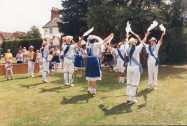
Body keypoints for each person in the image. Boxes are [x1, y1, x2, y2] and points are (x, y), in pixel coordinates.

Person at [126, 31, 150, 104]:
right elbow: (143, 42)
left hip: (129, 67)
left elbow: (126, 42)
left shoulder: (127, 48)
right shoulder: (137, 48)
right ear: (135, 43)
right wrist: (146, 35)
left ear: (129, 43)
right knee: (134, 83)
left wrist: (127, 36)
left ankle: (129, 98)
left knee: (129, 83)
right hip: (135, 68)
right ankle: (132, 98)